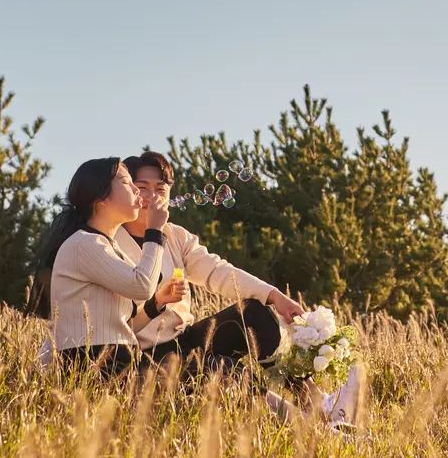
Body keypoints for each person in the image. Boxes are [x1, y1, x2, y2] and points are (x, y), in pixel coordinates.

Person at [116, 151, 306, 373]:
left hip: (187, 337)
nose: (152, 196)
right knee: (222, 368)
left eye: (160, 189)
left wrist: (275, 296)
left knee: (256, 312)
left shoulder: (176, 236)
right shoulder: (111, 242)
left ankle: (308, 393)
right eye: (142, 188)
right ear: (128, 191)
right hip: (146, 352)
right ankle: (286, 407)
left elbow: (217, 271)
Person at [25, 156, 169, 377]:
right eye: (126, 182)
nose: (136, 190)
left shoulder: (107, 247)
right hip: (92, 364)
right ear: (101, 198)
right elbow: (142, 286)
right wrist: (155, 231)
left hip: (113, 360)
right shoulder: (83, 243)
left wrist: (157, 303)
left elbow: (121, 325)